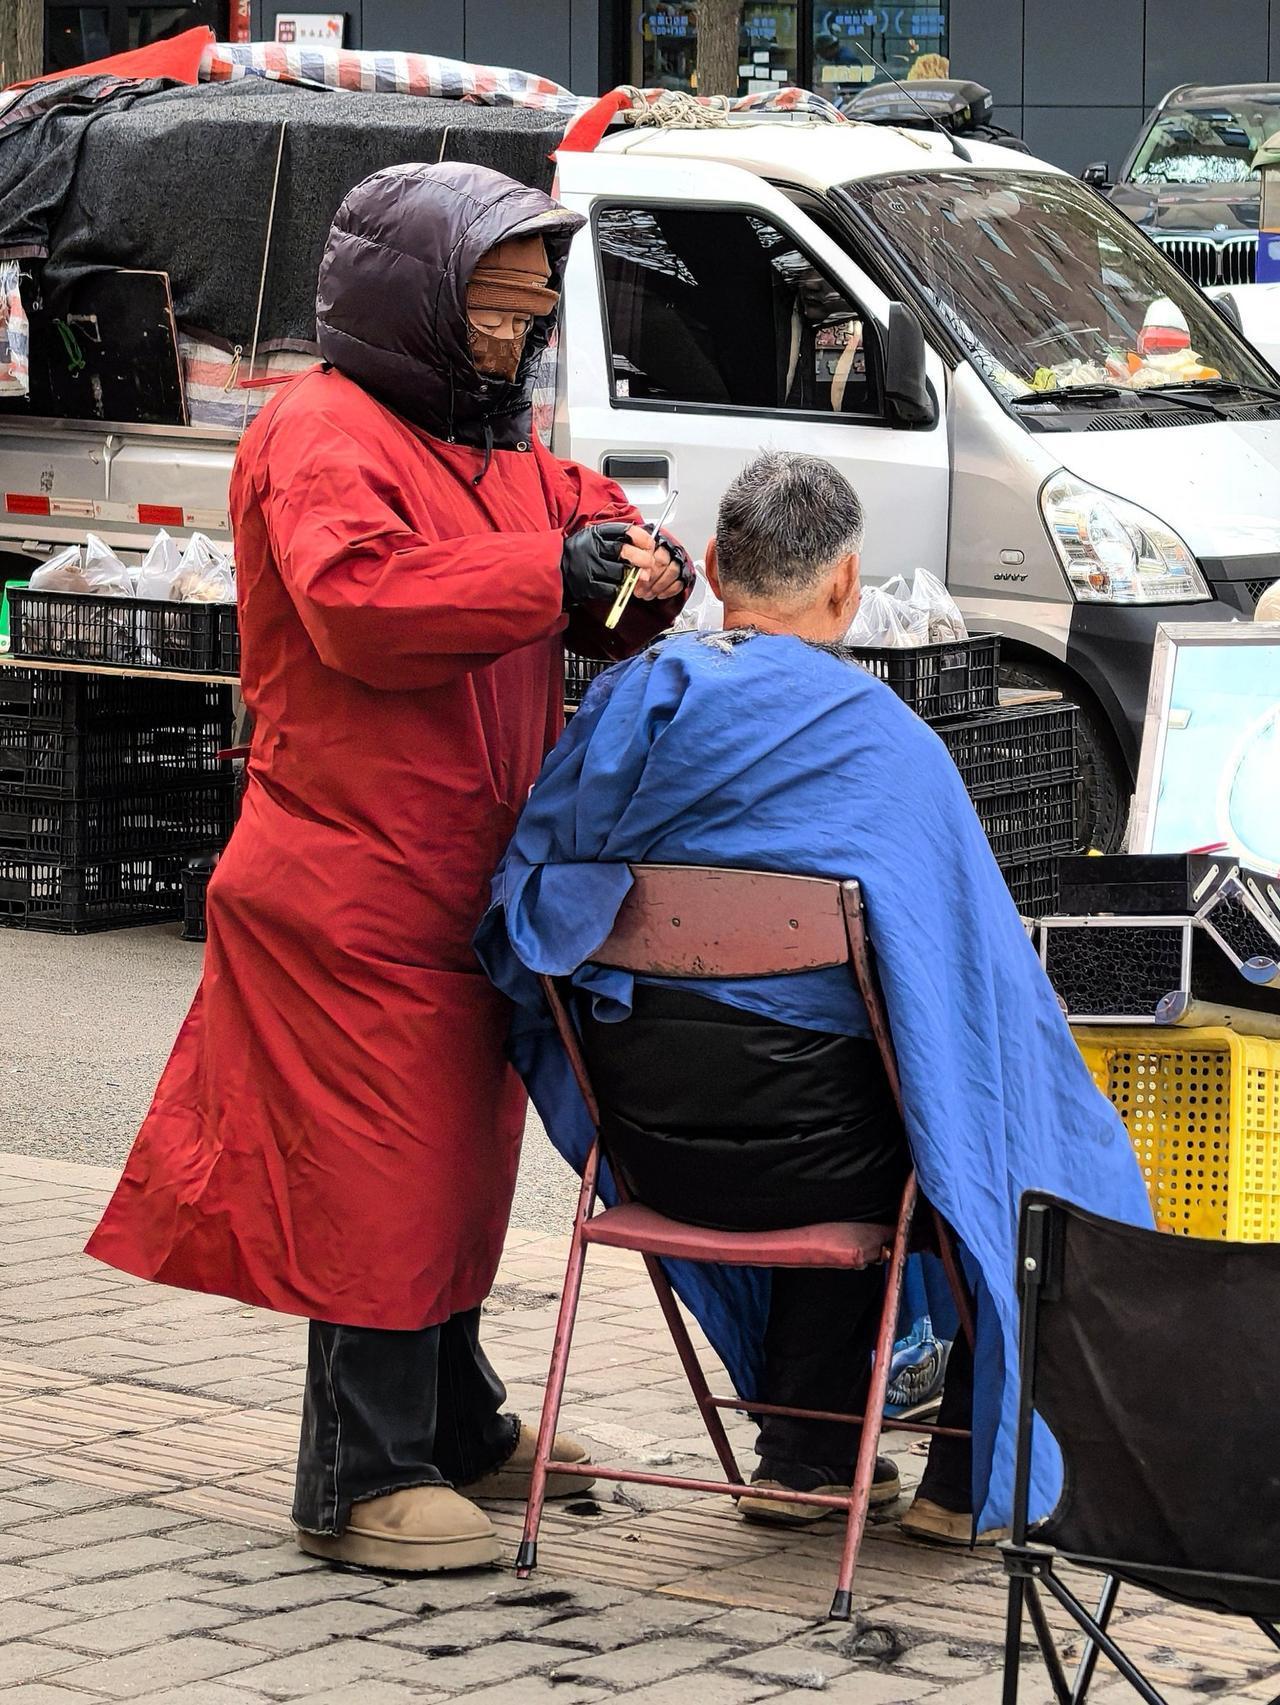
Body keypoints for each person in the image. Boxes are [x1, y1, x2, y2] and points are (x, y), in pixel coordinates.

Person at [85, 161, 688, 1574]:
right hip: (349, 877)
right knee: (382, 1181)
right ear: (420, 301)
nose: (521, 334)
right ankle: (358, 1476)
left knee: (455, 1183)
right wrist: (560, 572)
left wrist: (637, 570)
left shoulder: (501, 448)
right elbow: (360, 602)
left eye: (534, 309)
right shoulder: (323, 430)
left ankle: (456, 1425)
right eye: (497, 306)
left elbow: (580, 539)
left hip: (466, 875)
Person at [477, 450, 1154, 1541]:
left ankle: (802, 1458)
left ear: (707, 567)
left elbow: (522, 910)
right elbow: (979, 995)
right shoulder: (880, 738)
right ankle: (958, 1480)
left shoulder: (627, 703)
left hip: (649, 1144)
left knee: (843, 1079)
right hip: (830, 1160)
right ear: (845, 585)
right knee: (990, 1120)